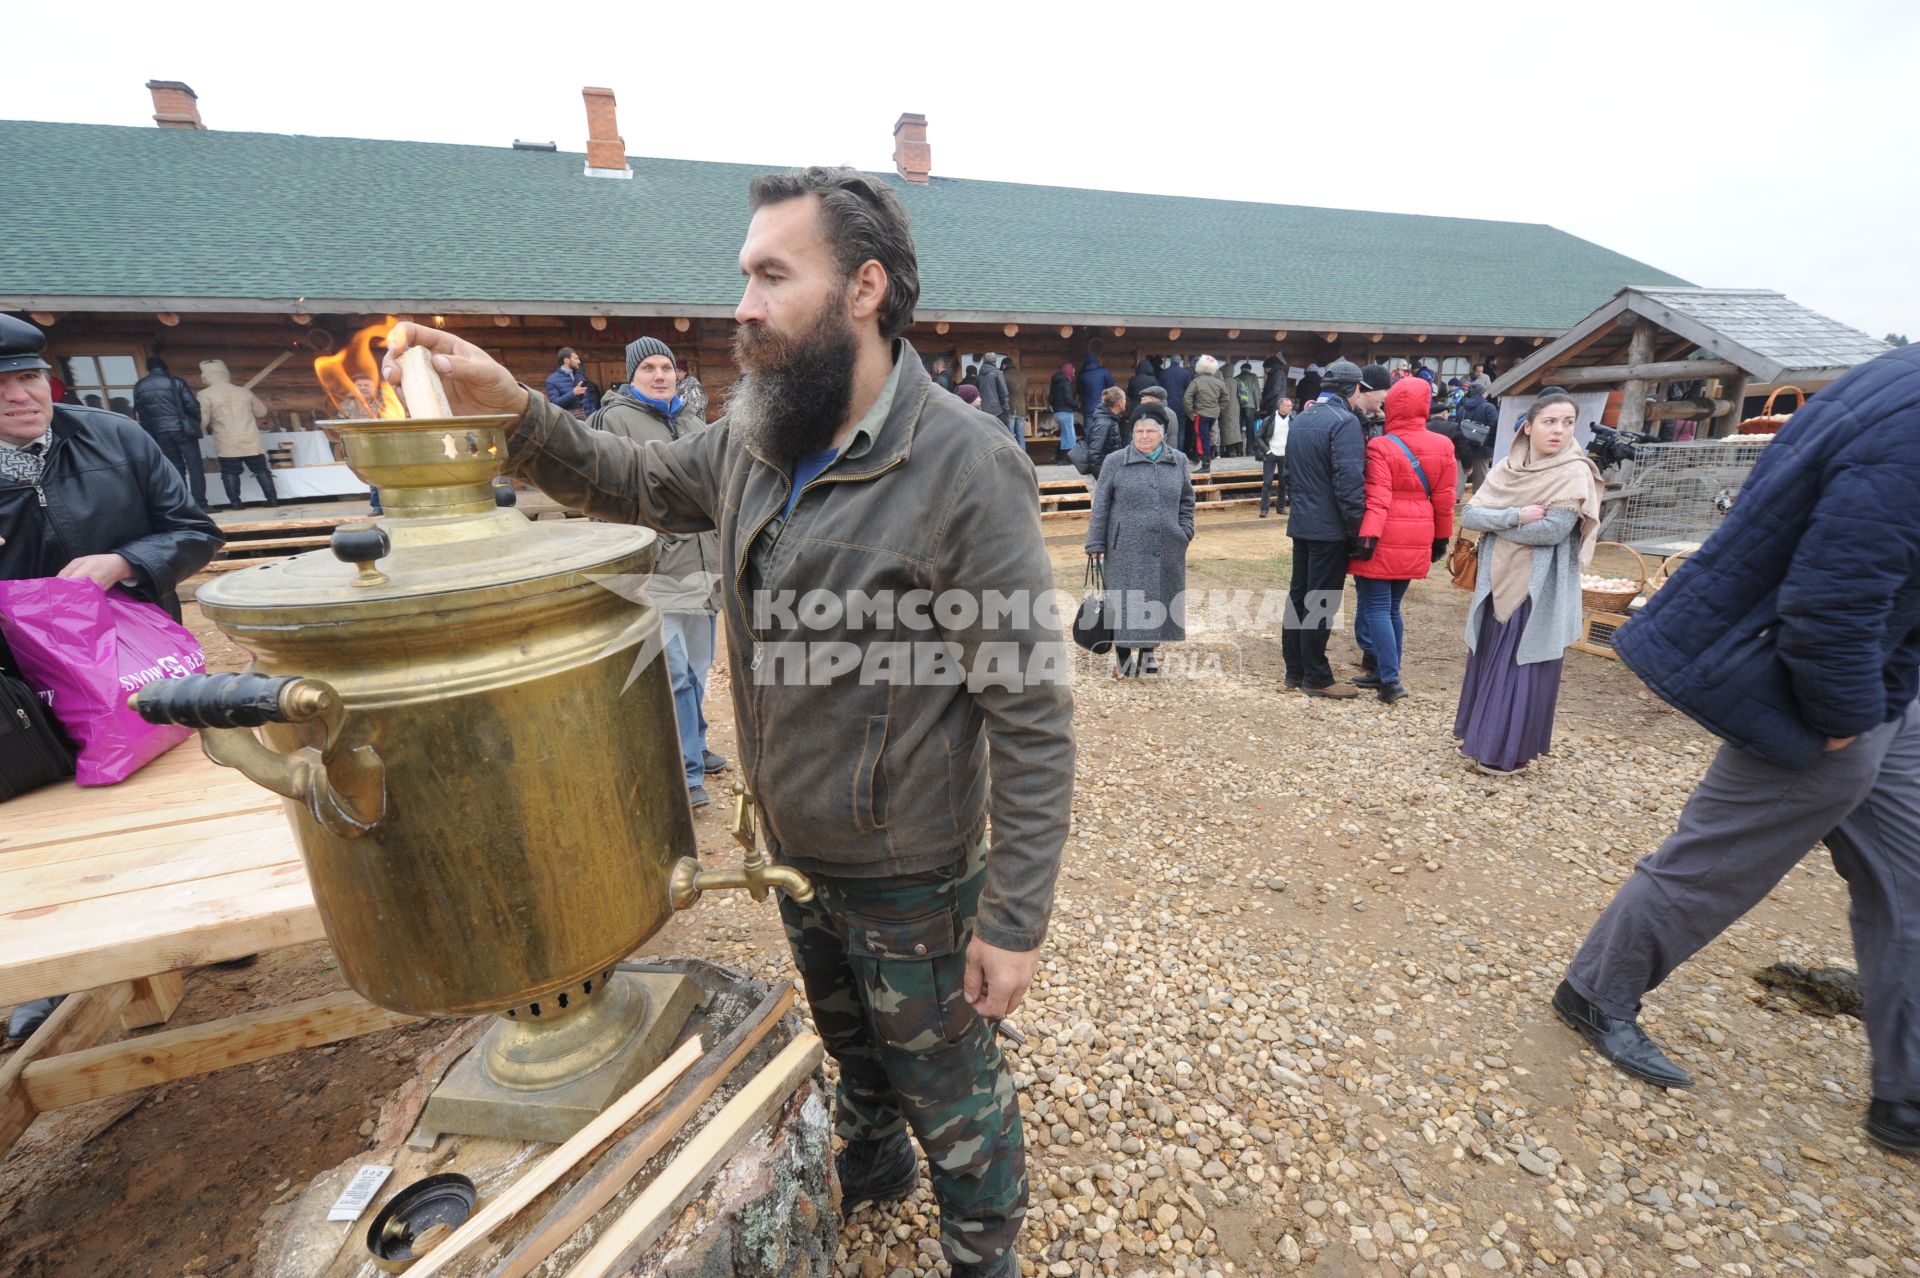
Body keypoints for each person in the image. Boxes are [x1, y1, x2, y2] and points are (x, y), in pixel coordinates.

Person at [383, 166, 1073, 1277]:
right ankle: (873, 1162)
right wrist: (508, 410)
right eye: (741, 275)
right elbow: (635, 481)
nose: (740, 304)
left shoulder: (964, 464)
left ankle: (981, 1243)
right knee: (853, 1050)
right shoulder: (756, 434)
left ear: (862, 290)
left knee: (951, 1081)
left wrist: (1015, 919)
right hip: (796, 853)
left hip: (911, 869)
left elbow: (1030, 711)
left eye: (769, 275)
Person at [1557, 344, 1920, 1154]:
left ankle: (1908, 1091)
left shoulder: (1889, 383)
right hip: (1833, 687)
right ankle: (1596, 991)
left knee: (1910, 880)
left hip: (1890, 678)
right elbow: (1834, 595)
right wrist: (1840, 717)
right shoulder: (1911, 419)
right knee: (1717, 863)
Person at [1, 313, 223, 1041]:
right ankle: (62, 974)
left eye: (28, 377)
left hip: (136, 669)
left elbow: (193, 529)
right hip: (21, 694)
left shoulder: (115, 435)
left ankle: (201, 924)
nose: (18, 396)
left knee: (170, 806)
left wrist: (123, 563)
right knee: (51, 832)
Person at [591, 337, 727, 808]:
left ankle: (699, 743)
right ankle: (687, 773)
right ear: (632, 375)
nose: (660, 374)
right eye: (648, 367)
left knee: (699, 666)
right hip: (658, 568)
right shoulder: (615, 420)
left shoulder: (691, 419)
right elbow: (608, 491)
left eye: (667, 366)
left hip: (704, 563)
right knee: (673, 673)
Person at [1453, 389, 1601, 772]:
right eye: (1550, 421)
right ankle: (1479, 736)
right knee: (1490, 658)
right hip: (1496, 581)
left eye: (1568, 422)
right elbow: (1470, 516)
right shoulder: (1507, 467)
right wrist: (1514, 516)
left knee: (1519, 666)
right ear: (1529, 426)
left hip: (1537, 589)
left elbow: (1552, 531)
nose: (1559, 430)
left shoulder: (1574, 471)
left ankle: (1504, 752)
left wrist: (1498, 523)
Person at [1281, 360, 1390, 697]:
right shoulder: (1344, 422)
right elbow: (1348, 485)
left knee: (1299, 596)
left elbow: (1288, 475)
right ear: (1353, 389)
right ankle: (1316, 676)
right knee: (1321, 600)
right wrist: (1358, 530)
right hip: (1329, 527)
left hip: (1302, 521)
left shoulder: (1302, 418)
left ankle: (1295, 670)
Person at [1347, 378, 1456, 704]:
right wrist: (1441, 536)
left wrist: (1366, 538)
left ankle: (1390, 680)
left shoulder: (1381, 445)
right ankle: (1384, 672)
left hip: (1385, 534)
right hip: (1419, 532)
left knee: (1378, 608)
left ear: (1393, 405)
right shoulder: (1443, 445)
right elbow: (1445, 499)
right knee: (1392, 608)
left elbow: (1377, 499)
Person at [1085, 411, 1194, 678]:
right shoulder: (1116, 461)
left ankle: (1148, 653)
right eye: (1138, 432)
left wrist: (1185, 531)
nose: (1144, 437)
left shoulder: (1177, 460)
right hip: (1124, 546)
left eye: (1150, 432)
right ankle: (1123, 655)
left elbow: (1186, 500)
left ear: (1162, 435)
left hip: (1166, 542)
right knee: (1125, 600)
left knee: (1156, 597)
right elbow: (1101, 505)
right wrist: (1095, 542)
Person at [198, 359, 278, 509]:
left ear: (206, 376)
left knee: (230, 471)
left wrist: (196, 431)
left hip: (226, 439)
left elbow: (203, 420)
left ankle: (236, 503)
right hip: (250, 438)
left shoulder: (204, 394)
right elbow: (262, 412)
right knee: (260, 469)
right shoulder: (243, 391)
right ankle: (272, 500)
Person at [131, 356, 208, 509]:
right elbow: (192, 405)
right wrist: (194, 422)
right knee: (195, 467)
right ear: (165, 367)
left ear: (149, 369)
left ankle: (184, 506)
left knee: (176, 468)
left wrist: (150, 431)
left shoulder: (140, 386)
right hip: (182, 430)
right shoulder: (176, 381)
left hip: (160, 432)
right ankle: (200, 503)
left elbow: (141, 413)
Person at [1181, 355, 1230, 473]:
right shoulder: (1218, 382)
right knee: (1206, 437)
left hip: (1200, 414)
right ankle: (1203, 461)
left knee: (1201, 439)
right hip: (1213, 415)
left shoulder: (1196, 381)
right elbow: (1226, 398)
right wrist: (1219, 409)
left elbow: (1187, 397)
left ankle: (1205, 465)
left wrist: (1191, 413)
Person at [1456, 378, 1498, 494]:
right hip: (1482, 447)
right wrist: (1489, 445)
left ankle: (1455, 503)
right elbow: (1494, 426)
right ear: (1483, 393)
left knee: (1459, 479)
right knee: (1480, 480)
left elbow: (1457, 426)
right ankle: (1477, 504)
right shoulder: (1489, 407)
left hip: (1463, 447)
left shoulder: (1462, 408)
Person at [1083, 385, 1127, 487]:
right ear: (1119, 402)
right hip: (1101, 479)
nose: (1126, 401)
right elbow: (1094, 455)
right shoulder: (1104, 423)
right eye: (1124, 398)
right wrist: (1104, 481)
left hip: (1109, 474)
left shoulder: (1111, 419)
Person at [1258, 396, 1293, 517]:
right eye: (1288, 405)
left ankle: (1281, 507)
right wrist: (1267, 451)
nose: (1291, 407)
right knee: (1267, 482)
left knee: (1283, 483)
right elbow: (1259, 436)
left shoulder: (1293, 420)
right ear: (1281, 407)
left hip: (1285, 454)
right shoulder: (1270, 419)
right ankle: (1264, 509)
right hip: (1271, 453)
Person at [545, 347, 599, 419]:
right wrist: (573, 393)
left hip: (589, 420)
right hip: (571, 422)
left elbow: (590, 399)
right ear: (566, 360)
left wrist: (594, 416)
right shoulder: (551, 380)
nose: (579, 361)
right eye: (576, 359)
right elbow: (555, 404)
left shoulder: (580, 377)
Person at [974, 351, 1012, 439]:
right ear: (994, 362)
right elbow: (1004, 392)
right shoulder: (997, 373)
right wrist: (1006, 408)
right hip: (998, 411)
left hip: (983, 411)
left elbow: (976, 393)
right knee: (1005, 436)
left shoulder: (979, 376)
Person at [1048, 361, 1080, 464]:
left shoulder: (1055, 382)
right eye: (1073, 372)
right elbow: (1068, 399)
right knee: (1070, 438)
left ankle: (1056, 455)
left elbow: (1050, 398)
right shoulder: (1066, 382)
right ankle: (1060, 458)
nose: (1074, 375)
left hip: (1057, 413)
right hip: (1065, 412)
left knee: (1065, 436)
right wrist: (1077, 405)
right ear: (1069, 372)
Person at [1076, 341, 1114, 424]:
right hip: (1101, 406)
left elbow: (1079, 391)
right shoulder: (1103, 371)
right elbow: (1111, 386)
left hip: (1087, 407)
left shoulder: (1082, 375)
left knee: (1088, 430)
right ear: (1096, 361)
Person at [1234, 361, 1263, 454]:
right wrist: (1258, 406)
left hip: (1238, 406)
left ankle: (1239, 451)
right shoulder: (1253, 377)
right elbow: (1256, 391)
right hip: (1250, 405)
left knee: (1238, 428)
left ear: (1241, 369)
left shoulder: (1236, 378)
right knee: (1250, 429)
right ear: (1249, 369)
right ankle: (1250, 450)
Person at [1000, 357, 1028, 446]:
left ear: (1004, 365)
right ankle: (1023, 457)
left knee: (1010, 436)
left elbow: (1002, 393)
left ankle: (1013, 457)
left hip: (1009, 408)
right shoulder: (1023, 376)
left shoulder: (1003, 376)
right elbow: (1027, 394)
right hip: (1021, 409)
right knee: (1021, 436)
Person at [675, 358, 708, 422]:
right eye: (675, 371)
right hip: (680, 421)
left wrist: (688, 413)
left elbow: (702, 401)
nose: (676, 373)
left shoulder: (693, 382)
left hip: (694, 420)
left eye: (679, 371)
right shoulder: (676, 383)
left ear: (685, 372)